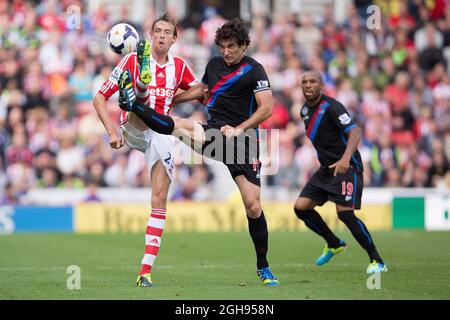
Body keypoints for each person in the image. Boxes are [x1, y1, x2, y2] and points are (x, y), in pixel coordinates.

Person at [117, 18, 279, 286]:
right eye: (222, 46)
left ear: (244, 46)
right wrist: (172, 98)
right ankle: (134, 105)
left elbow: (267, 109)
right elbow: (202, 90)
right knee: (178, 126)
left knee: (253, 205)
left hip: (243, 141)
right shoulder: (214, 65)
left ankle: (263, 266)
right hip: (215, 133)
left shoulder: (255, 71)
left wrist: (239, 129)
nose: (226, 52)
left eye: (232, 47)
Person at [93, 13, 199, 287]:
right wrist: (112, 132)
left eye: (167, 32)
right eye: (158, 31)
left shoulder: (180, 67)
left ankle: (145, 272)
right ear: (150, 36)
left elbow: (201, 91)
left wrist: (178, 96)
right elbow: (99, 98)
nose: (162, 35)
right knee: (143, 106)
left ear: (175, 39)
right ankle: (139, 88)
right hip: (134, 127)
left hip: (161, 132)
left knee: (160, 197)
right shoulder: (128, 59)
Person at [294, 71, 387, 273]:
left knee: (345, 214)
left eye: (312, 82)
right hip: (326, 169)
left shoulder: (333, 107)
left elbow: (354, 132)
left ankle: (377, 261)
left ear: (322, 85)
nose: (308, 85)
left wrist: (345, 159)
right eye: (304, 82)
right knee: (301, 208)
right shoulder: (304, 111)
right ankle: (334, 243)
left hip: (347, 166)